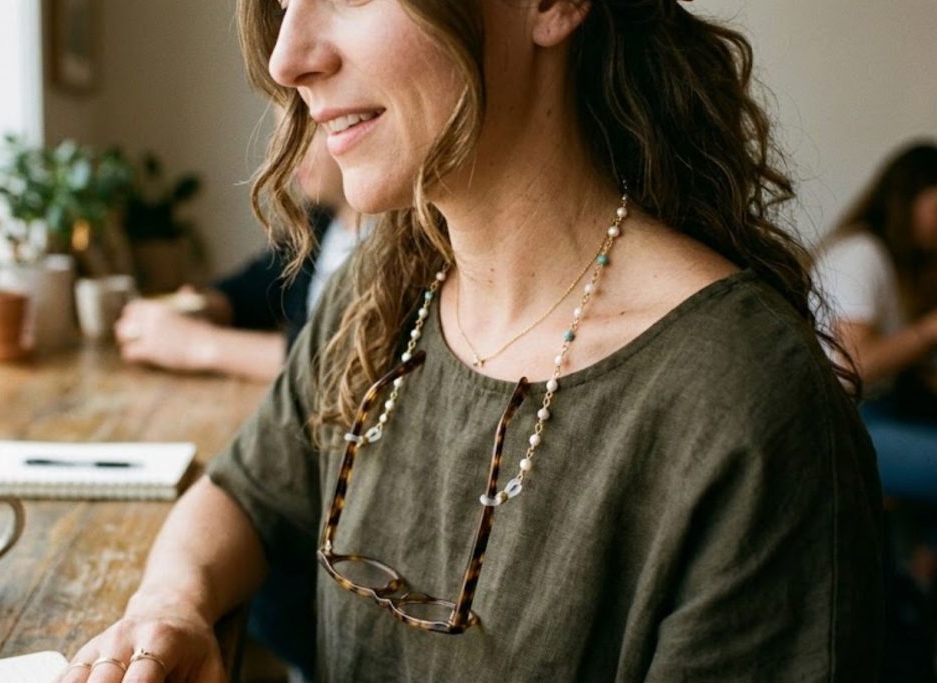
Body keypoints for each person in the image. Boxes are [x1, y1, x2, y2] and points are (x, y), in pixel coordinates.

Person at [59, 2, 883, 682]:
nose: (287, 56)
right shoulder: (382, 292)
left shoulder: (744, 407)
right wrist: (171, 601)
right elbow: (244, 491)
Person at [114, 124, 358, 382]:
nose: (286, 149)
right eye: (282, 132)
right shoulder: (320, 224)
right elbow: (256, 288)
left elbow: (341, 361)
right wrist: (199, 306)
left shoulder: (390, 245)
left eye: (307, 131)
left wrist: (196, 345)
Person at [813, 142, 937, 502]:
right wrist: (930, 329)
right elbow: (855, 366)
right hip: (844, 424)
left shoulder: (897, 262)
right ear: (907, 201)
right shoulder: (861, 255)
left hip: (881, 412)